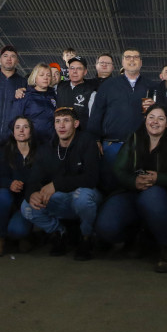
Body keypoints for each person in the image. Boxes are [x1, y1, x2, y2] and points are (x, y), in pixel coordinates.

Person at [95, 104, 167, 273]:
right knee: (106, 228)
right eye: (151, 117)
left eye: (161, 118)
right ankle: (135, 236)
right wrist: (133, 182)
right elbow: (118, 170)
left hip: (162, 199)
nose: (155, 122)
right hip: (131, 193)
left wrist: (159, 178)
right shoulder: (133, 140)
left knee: (151, 196)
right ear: (145, 120)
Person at [21, 107, 101, 261]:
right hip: (61, 199)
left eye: (66, 121)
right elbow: (33, 178)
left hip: (83, 196)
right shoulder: (47, 148)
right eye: (58, 121)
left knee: (82, 196)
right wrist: (32, 194)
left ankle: (86, 237)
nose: (61, 125)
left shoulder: (87, 141)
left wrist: (56, 184)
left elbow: (91, 179)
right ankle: (60, 233)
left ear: (76, 123)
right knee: (26, 207)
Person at [88, 49, 154, 193]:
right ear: (122, 62)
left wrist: (154, 108)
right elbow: (97, 112)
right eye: (128, 57)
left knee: (142, 188)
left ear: (141, 62)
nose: (132, 60)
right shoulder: (108, 85)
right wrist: (95, 138)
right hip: (112, 145)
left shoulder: (152, 86)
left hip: (142, 146)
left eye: (136, 57)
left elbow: (161, 114)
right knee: (110, 187)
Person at [0, 116, 37, 257]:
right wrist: (10, 183)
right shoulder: (5, 152)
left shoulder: (40, 151)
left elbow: (42, 178)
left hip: (29, 199)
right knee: (0, 196)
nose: (21, 130)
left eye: (25, 127)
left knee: (17, 231)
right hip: (11, 195)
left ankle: (24, 236)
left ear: (31, 131)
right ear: (13, 132)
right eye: (17, 127)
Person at [10, 63, 57, 143]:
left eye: (48, 75)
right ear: (34, 77)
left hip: (51, 143)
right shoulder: (24, 96)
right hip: (31, 143)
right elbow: (13, 121)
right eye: (41, 75)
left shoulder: (55, 96)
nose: (45, 77)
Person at [55, 56, 96, 131]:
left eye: (79, 68)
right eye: (72, 68)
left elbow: (93, 119)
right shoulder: (59, 87)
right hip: (60, 136)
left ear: (85, 72)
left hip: (81, 136)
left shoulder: (91, 92)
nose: (74, 71)